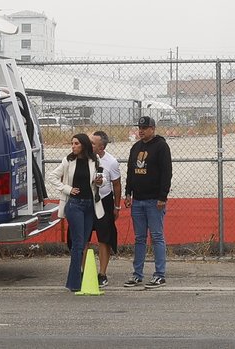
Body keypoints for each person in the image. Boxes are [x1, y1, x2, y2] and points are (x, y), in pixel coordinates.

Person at [47, 132, 105, 291]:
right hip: (74, 205)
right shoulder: (68, 161)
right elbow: (51, 177)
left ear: (84, 145)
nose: (73, 146)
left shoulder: (94, 160)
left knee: (84, 241)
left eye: (76, 144)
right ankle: (74, 283)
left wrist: (100, 181)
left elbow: (102, 178)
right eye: (72, 143)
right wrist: (67, 189)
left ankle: (78, 279)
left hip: (89, 205)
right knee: (78, 243)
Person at [123, 115, 172, 289]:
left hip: (154, 201)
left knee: (157, 237)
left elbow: (167, 173)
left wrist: (162, 197)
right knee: (139, 238)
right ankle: (137, 274)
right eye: (139, 128)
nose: (141, 131)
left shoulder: (161, 147)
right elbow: (130, 171)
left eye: (145, 128)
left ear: (153, 129)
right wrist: (128, 193)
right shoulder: (136, 147)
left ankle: (160, 275)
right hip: (138, 201)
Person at [90, 130, 122, 288]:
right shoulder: (84, 158)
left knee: (105, 238)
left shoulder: (111, 162)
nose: (89, 146)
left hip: (104, 201)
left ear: (101, 147)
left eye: (93, 144)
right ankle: (83, 271)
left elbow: (116, 185)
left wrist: (117, 206)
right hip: (87, 202)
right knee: (82, 237)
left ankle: (102, 273)